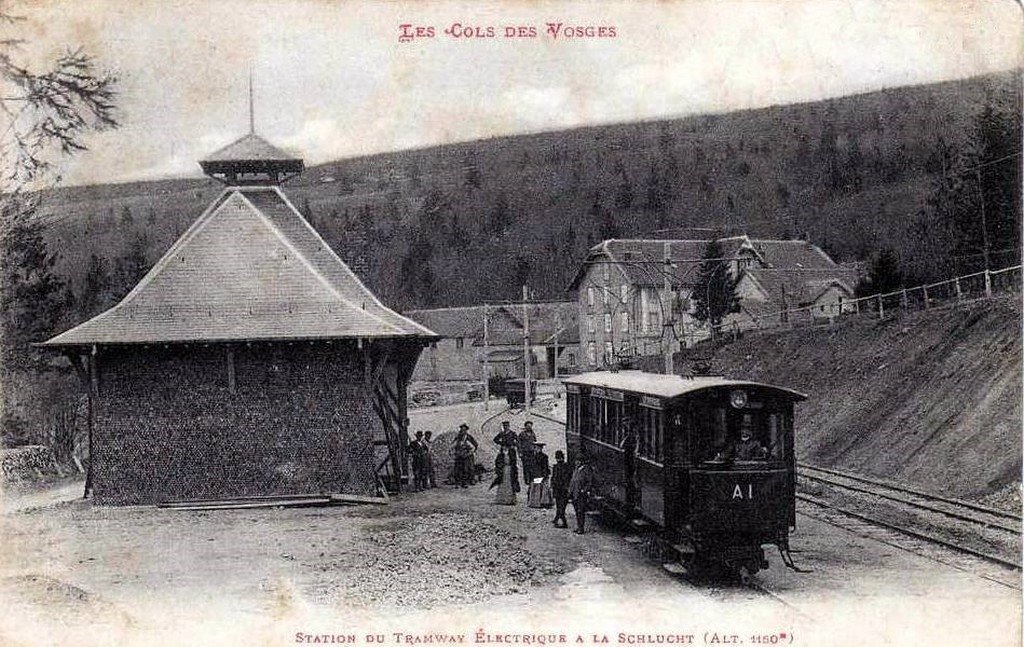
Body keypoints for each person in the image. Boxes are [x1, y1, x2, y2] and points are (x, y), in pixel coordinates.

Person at [568, 452, 596, 534]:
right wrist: (570, 491)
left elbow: (589, 482)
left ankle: (581, 528)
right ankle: (578, 526)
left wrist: (584, 490)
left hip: (581, 494)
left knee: (581, 511)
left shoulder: (586, 470)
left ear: (582, 462)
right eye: (576, 461)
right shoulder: (576, 469)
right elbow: (572, 481)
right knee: (577, 511)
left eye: (578, 461)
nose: (577, 462)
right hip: (574, 493)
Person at [492, 421, 521, 495]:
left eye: (507, 426)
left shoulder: (513, 433)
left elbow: (518, 442)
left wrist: (513, 445)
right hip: (503, 450)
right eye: (504, 426)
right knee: (501, 466)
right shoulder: (501, 434)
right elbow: (495, 440)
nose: (506, 427)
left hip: (511, 451)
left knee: (513, 468)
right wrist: (501, 444)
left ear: (509, 426)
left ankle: (514, 486)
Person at [619, 417, 638, 508]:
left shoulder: (632, 434)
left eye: (625, 423)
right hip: (631, 459)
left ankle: (633, 499)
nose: (625, 425)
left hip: (632, 460)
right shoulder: (631, 433)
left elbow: (622, 445)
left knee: (633, 479)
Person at [452, 423, 479, 488]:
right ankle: (458, 483)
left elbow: (475, 445)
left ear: (466, 430)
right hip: (459, 455)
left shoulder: (469, 437)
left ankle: (466, 482)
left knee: (466, 469)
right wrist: (456, 452)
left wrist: (470, 451)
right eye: (461, 429)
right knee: (458, 469)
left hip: (467, 456)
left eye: (464, 430)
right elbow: (453, 445)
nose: (462, 431)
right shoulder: (458, 437)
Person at [527, 442, 552, 508]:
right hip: (535, 473)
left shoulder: (544, 457)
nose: (537, 449)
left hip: (540, 473)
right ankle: (535, 502)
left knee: (540, 488)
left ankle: (540, 502)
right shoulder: (533, 457)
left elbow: (545, 466)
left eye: (539, 448)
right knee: (536, 488)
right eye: (537, 448)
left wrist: (544, 474)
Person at [550, 450, 571, 528]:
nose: (558, 459)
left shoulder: (562, 467)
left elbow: (566, 478)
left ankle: (564, 523)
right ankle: (557, 519)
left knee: (561, 507)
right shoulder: (563, 466)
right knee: (559, 506)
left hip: (562, 490)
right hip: (559, 489)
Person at [518, 421, 538, 485]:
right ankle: (527, 480)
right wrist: (520, 452)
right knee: (525, 466)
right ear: (525, 427)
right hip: (525, 452)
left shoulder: (533, 434)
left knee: (532, 466)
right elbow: (519, 444)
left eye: (530, 426)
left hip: (531, 452)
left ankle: (531, 479)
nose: (529, 427)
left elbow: (535, 442)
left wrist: (535, 450)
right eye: (528, 426)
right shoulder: (522, 434)